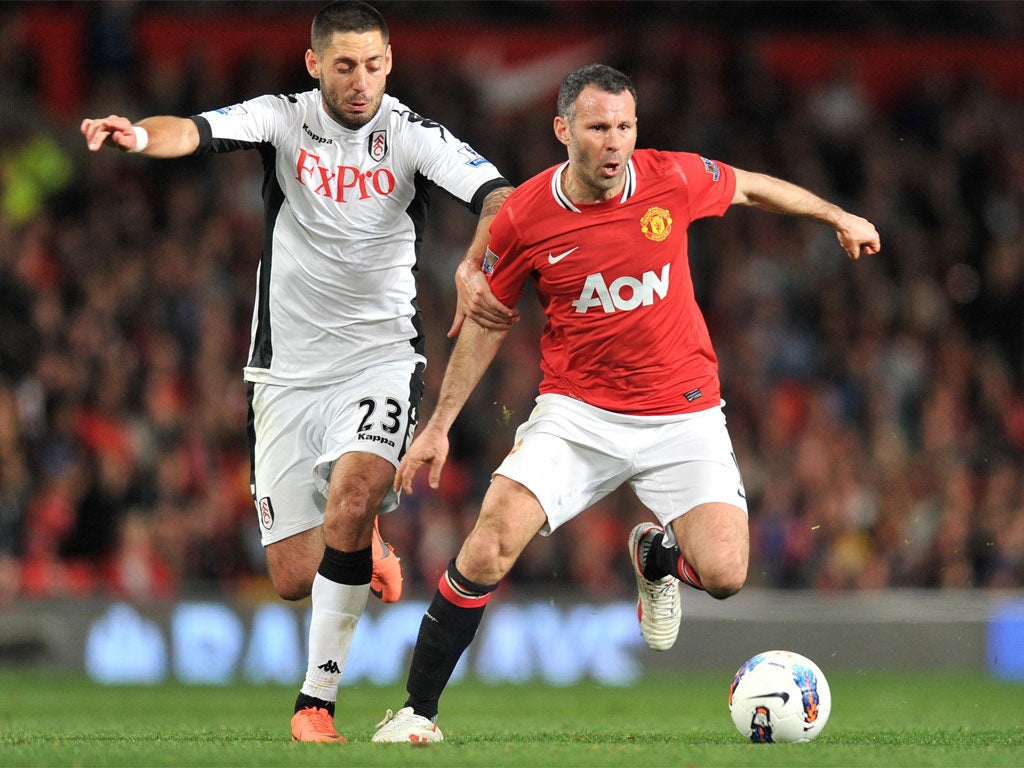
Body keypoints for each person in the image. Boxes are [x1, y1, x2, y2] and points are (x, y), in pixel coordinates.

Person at [372, 63, 880, 743]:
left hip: (684, 413)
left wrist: (835, 214)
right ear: (563, 130)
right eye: (597, 127)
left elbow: (751, 189)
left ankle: (658, 560)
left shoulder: (669, 176)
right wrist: (438, 425)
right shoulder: (525, 214)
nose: (613, 142)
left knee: (727, 574)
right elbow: (489, 318)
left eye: (623, 126)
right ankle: (417, 712)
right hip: (577, 414)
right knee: (488, 544)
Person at [80, 0, 516, 743]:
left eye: (374, 64)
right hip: (284, 371)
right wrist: (138, 134)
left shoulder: (408, 133)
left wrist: (477, 260)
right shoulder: (283, 119)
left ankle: (315, 704)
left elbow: (499, 194)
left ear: (390, 60)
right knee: (291, 576)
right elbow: (197, 129)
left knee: (353, 493)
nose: (361, 80)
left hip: (380, 359)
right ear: (314, 64)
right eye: (344, 65)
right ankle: (362, 542)